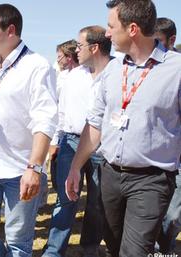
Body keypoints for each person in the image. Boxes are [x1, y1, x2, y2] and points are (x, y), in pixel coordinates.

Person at [65, 1, 181, 256]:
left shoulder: (176, 69)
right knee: (115, 245)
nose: (107, 33)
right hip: (111, 177)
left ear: (132, 29)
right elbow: (95, 122)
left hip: (152, 180)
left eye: (110, 26)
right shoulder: (114, 70)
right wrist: (75, 166)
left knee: (135, 251)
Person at [0, 4, 58, 256]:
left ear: (11, 31)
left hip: (20, 170)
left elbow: (45, 121)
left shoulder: (36, 66)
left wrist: (34, 168)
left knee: (18, 240)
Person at [43, 26, 112, 257]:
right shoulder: (72, 77)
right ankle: (54, 250)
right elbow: (61, 112)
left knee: (96, 200)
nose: (76, 51)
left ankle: (90, 246)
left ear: (94, 48)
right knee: (65, 197)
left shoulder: (115, 74)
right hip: (70, 143)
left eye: (80, 46)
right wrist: (55, 142)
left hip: (101, 146)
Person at [154, 17, 180, 254]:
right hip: (157, 161)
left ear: (172, 40)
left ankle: (165, 247)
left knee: (172, 215)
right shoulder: (145, 69)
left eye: (158, 42)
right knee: (153, 212)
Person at [48, 40, 79, 189]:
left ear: (69, 57)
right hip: (63, 134)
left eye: (60, 56)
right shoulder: (60, 77)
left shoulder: (78, 77)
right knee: (59, 178)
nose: (57, 60)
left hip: (75, 133)